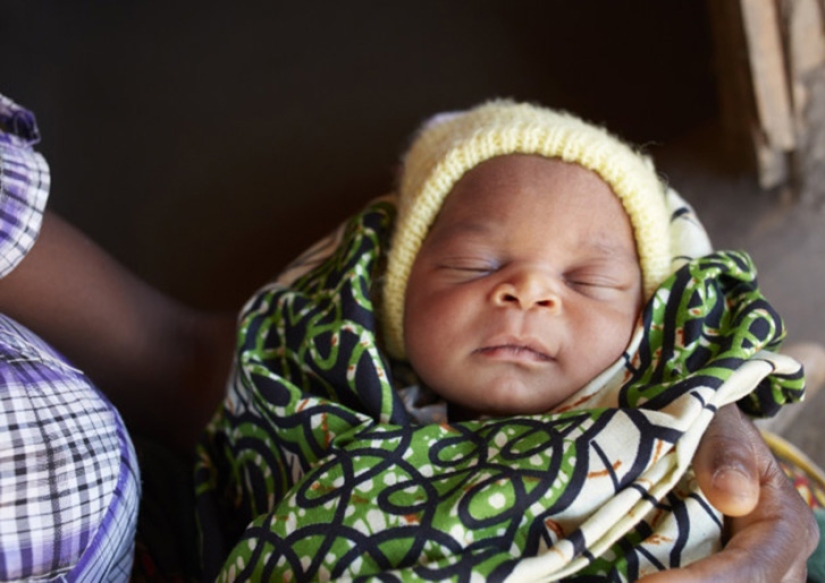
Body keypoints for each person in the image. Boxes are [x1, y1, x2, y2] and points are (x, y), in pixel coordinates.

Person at [0, 92, 817, 581]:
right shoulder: (307, 395)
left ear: (642, 323)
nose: (527, 288)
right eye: (473, 263)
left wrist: (695, 404)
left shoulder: (657, 430)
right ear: (388, 303)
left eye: (586, 280)